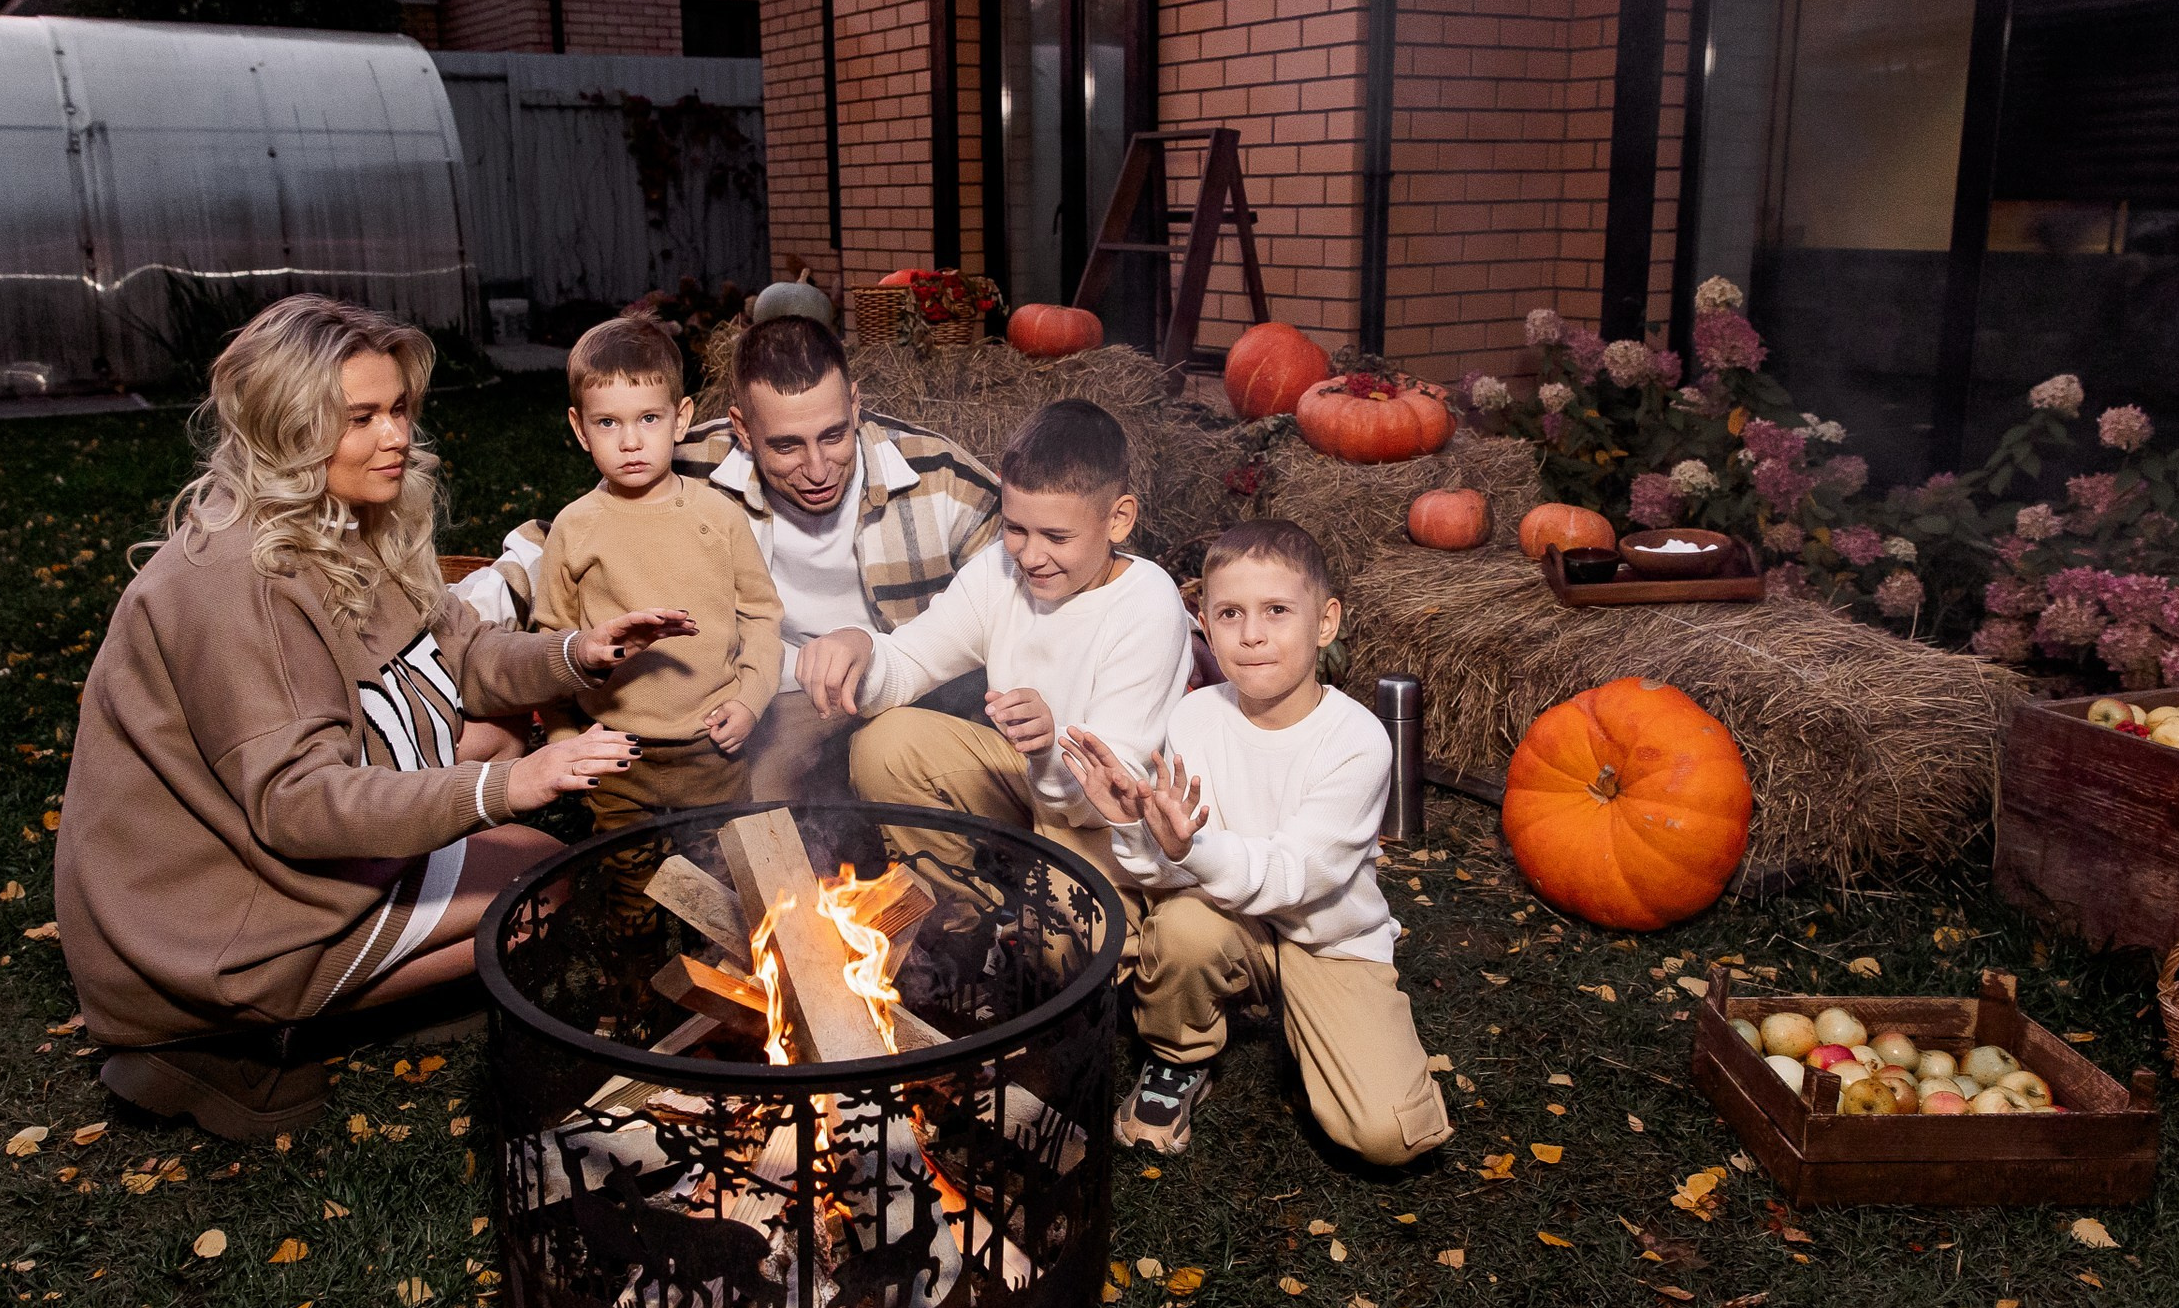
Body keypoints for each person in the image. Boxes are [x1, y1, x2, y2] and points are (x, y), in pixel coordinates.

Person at [56, 295, 695, 1141]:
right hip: (214, 908)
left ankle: (342, 993)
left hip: (283, 848)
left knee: (508, 779)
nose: (395, 435)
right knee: (536, 878)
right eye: (360, 417)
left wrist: (577, 651)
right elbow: (295, 803)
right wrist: (503, 786)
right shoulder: (228, 582)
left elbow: (465, 657)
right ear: (288, 426)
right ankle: (232, 1032)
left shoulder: (347, 517)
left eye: (397, 409)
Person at [453, 314, 1002, 801]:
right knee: (749, 809)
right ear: (741, 428)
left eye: (834, 435)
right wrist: (454, 631)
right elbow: (560, 544)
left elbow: (1022, 588)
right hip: (775, 695)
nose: (817, 468)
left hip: (905, 687)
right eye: (786, 445)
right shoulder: (686, 463)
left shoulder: (945, 482)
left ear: (855, 404)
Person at [1061, 520, 1455, 1166]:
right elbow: (1174, 875)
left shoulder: (1358, 740)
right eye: (1229, 613)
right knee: (1185, 929)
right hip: (1226, 921)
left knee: (1387, 1135)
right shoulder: (1194, 715)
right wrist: (1131, 823)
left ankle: (1320, 1027)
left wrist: (1191, 850)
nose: (1251, 633)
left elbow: (1292, 873)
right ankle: (1177, 1053)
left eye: (1276, 610)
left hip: (1327, 940)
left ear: (1325, 621)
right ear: (1205, 624)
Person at [794, 398, 1194, 897]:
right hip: (1027, 782)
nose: (1030, 556)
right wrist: (860, 651)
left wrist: (1051, 744)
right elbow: (911, 661)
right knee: (885, 744)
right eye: (1015, 528)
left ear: (1118, 520)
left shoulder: (1148, 604)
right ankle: (958, 923)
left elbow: (1106, 798)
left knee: (1059, 945)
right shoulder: (997, 572)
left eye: (1056, 536)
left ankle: (1057, 920)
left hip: (1109, 824)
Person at [531, 316, 783, 924]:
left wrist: (750, 699)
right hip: (620, 755)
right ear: (579, 429)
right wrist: (570, 742)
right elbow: (550, 642)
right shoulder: (575, 528)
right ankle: (635, 1002)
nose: (631, 441)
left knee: (723, 894)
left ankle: (729, 1003)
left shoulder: (718, 518)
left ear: (683, 416)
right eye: (608, 423)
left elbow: (763, 616)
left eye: (648, 419)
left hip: (711, 749)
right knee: (632, 890)